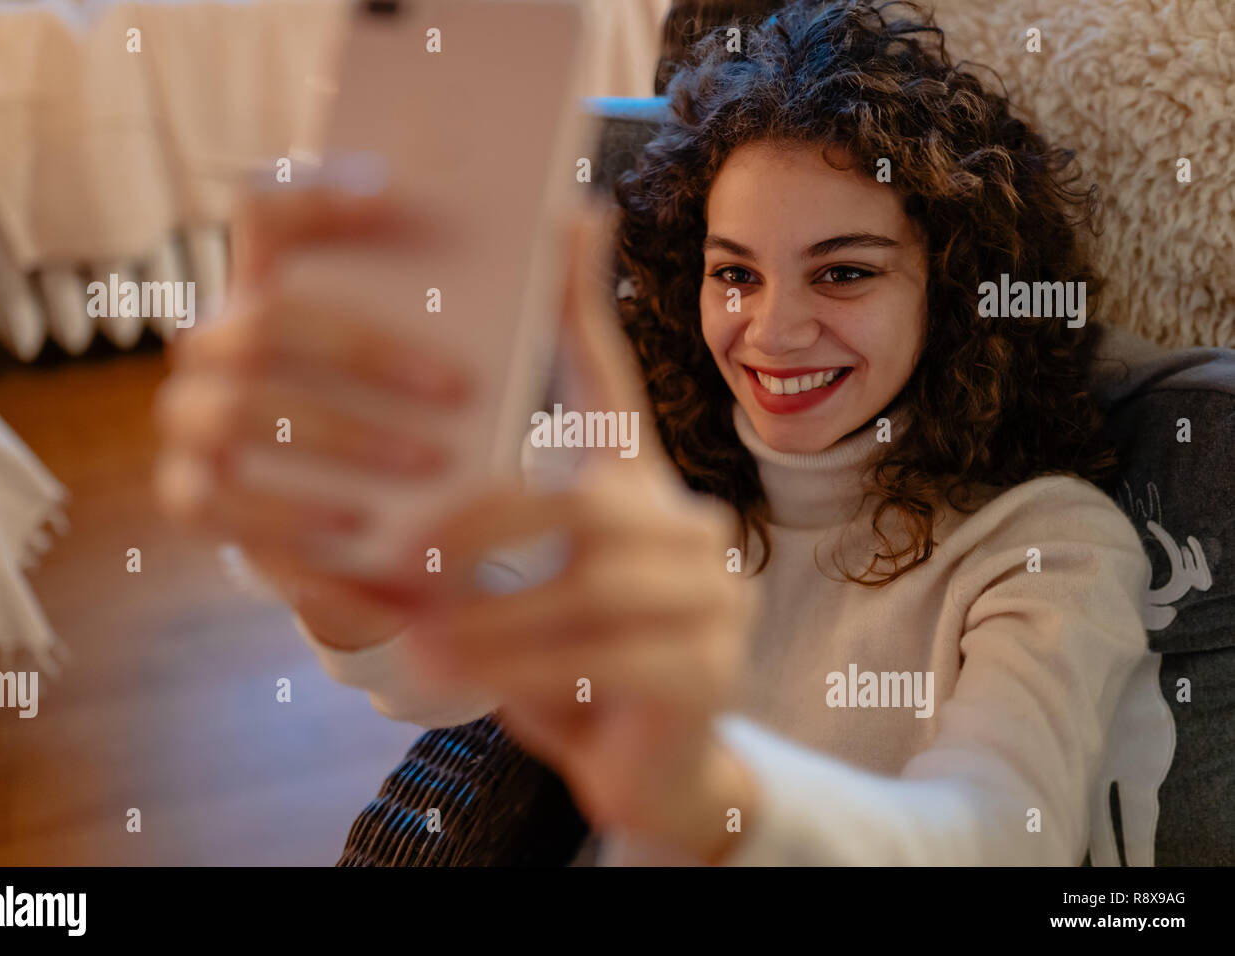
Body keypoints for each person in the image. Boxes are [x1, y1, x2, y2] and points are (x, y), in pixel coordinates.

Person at [153, 0, 1150, 865]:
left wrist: (700, 784)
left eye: (843, 271)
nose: (773, 330)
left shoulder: (1046, 546)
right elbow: (436, 652)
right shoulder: (648, 469)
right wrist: (333, 566)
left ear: (955, 294)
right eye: (734, 273)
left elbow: (992, 836)